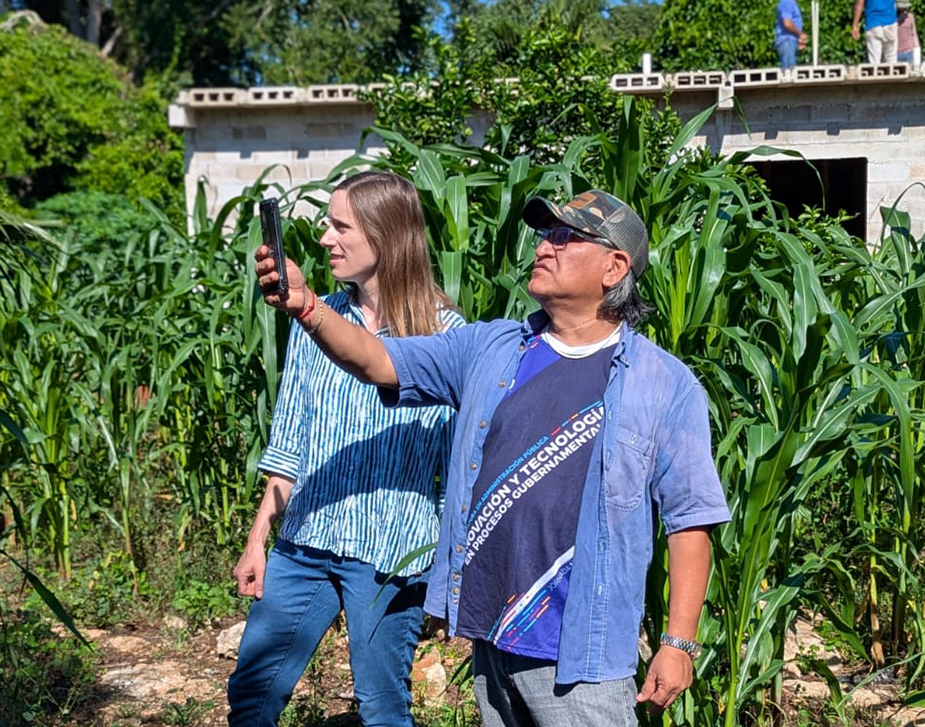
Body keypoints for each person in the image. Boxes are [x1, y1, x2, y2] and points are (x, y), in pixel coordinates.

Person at [255, 189, 732, 727]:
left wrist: (678, 643)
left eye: (564, 237)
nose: (544, 247)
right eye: (544, 234)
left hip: (580, 653)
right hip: (492, 635)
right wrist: (308, 306)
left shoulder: (664, 384)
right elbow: (377, 359)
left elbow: (690, 520)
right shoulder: (491, 349)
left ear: (613, 266)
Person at [227, 171, 465, 727]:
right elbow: (291, 441)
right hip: (305, 542)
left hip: (389, 557)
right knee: (251, 694)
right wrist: (259, 539)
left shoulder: (448, 336)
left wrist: (452, 575)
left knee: (383, 710)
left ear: (385, 236)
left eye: (341, 227)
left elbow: (460, 471)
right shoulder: (316, 321)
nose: (325, 240)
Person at [852, 0, 925, 64]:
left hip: (873, 23)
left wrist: (855, 25)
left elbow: (859, 4)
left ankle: (876, 78)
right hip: (890, 23)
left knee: (874, 60)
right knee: (891, 58)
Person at [775, 0, 808, 71]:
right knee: (788, 73)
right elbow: (787, 23)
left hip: (791, 41)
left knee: (790, 71)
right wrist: (800, 34)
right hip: (787, 40)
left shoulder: (791, 3)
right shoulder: (787, 2)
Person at [896, 0, 921, 64]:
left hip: (908, 51)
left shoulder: (910, 17)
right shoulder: (892, 18)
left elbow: (913, 33)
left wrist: (917, 47)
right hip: (896, 51)